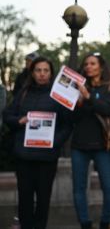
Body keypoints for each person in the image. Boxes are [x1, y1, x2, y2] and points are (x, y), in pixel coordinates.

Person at [3, 57, 72, 229]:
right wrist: (20, 120)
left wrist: (54, 142)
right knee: (24, 199)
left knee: (43, 200)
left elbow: (67, 125)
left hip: (46, 157)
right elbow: (7, 116)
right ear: (32, 73)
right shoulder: (23, 93)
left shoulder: (59, 96)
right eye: (38, 70)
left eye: (45, 70)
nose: (42, 74)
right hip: (24, 155)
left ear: (51, 73)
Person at [71, 53, 110, 229]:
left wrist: (89, 96)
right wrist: (77, 103)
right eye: (86, 64)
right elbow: (72, 118)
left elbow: (107, 109)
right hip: (79, 144)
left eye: (92, 63)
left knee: (108, 186)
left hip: (103, 145)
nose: (88, 67)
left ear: (101, 67)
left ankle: (105, 222)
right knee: (78, 188)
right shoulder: (76, 87)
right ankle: (85, 223)